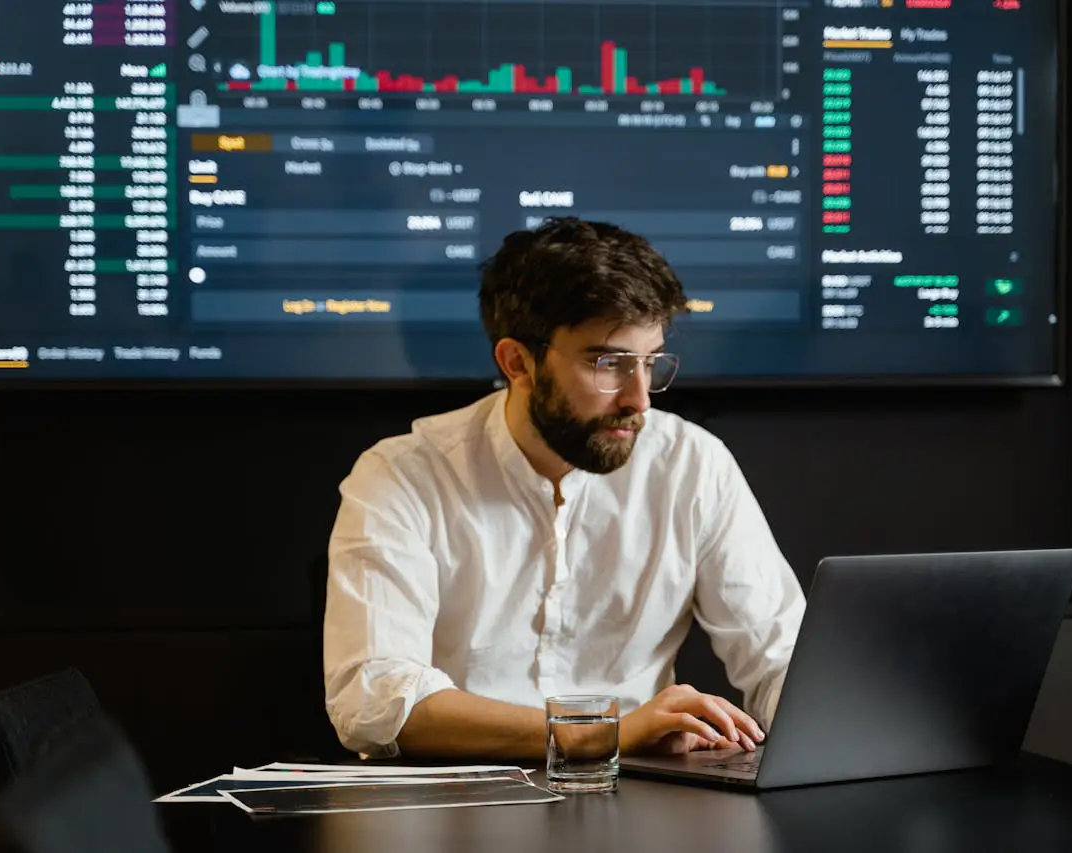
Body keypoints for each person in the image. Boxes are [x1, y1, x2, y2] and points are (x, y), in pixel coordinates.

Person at [324, 217, 806, 760]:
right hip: (455, 805)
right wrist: (598, 733)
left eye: (650, 363)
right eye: (608, 363)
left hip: (643, 799)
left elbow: (784, 658)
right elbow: (373, 698)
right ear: (518, 362)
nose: (639, 400)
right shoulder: (402, 475)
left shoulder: (693, 464)